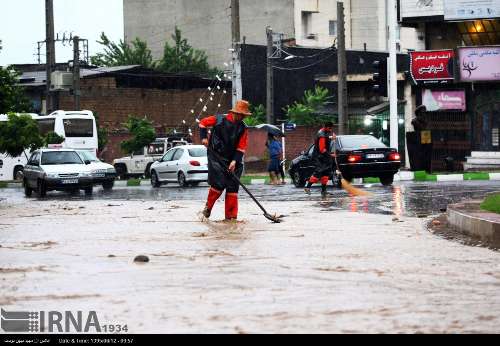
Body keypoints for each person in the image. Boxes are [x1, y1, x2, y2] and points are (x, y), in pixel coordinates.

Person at [199, 100, 251, 221]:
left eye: (244, 115)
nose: (242, 117)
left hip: (232, 158)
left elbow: (241, 147)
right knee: (219, 183)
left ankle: (231, 218)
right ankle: (208, 208)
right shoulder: (219, 119)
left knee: (233, 187)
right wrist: (203, 138)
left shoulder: (243, 128)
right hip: (216, 156)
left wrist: (234, 161)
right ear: (235, 113)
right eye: (241, 114)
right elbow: (202, 123)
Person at [304, 121, 337, 197]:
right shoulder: (321, 134)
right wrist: (331, 155)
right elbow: (322, 149)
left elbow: (327, 138)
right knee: (319, 172)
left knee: (326, 172)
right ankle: (307, 187)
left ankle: (324, 191)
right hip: (319, 157)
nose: (331, 130)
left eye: (331, 128)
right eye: (329, 128)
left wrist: (332, 137)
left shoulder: (325, 132)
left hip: (324, 157)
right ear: (325, 127)